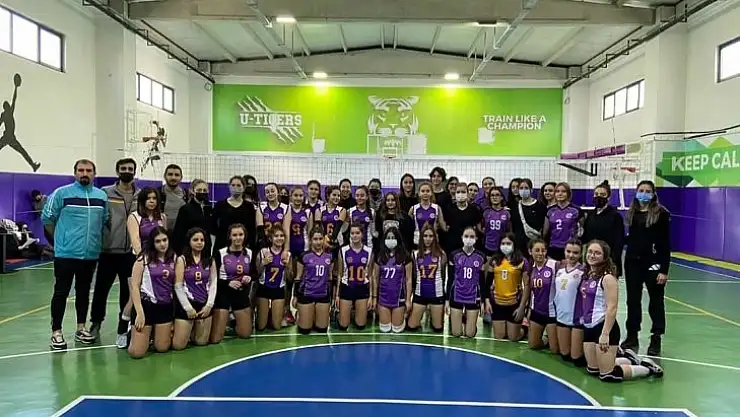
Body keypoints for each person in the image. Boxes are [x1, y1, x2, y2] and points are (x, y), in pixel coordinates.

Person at [42, 159, 108, 350]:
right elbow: (47, 218)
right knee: (61, 292)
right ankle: (56, 332)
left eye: (88, 170)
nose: (84, 173)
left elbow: (104, 221)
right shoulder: (61, 193)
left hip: (90, 255)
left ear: (94, 174)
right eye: (81, 170)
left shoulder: (101, 196)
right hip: (65, 255)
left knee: (83, 292)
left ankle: (81, 328)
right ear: (75, 173)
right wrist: (59, 242)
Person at [581, 240, 663, 382]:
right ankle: (628, 359)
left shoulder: (607, 278)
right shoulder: (588, 275)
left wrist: (605, 334)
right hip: (589, 326)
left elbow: (612, 307)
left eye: (597, 253)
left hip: (603, 326)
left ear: (605, 256)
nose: (592, 255)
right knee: (593, 370)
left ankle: (647, 368)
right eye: (590, 252)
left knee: (607, 375)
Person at [89, 158, 138, 347]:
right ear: (117, 171)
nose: (127, 171)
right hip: (108, 251)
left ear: (134, 172)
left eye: (130, 169)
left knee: (128, 292)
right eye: (123, 168)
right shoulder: (106, 192)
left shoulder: (140, 194)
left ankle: (124, 326)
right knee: (101, 291)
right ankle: (95, 323)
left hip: (130, 253)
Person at [621, 180, 671, 355]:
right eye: (641, 190)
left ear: (653, 194)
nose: (644, 193)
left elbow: (665, 244)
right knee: (632, 301)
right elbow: (631, 238)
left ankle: (656, 337)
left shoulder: (661, 214)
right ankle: (632, 335)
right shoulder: (632, 212)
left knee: (656, 302)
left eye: (647, 191)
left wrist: (664, 270)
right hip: (632, 262)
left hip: (653, 264)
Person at [128, 226, 175, 359]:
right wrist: (139, 312)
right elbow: (134, 286)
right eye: (158, 241)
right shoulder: (143, 259)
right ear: (152, 243)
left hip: (165, 305)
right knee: (137, 353)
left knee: (162, 348)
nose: (162, 244)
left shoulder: (174, 258)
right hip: (146, 305)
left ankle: (153, 334)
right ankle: (131, 332)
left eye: (164, 240)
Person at [172, 227, 217, 350]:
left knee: (201, 343)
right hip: (187, 303)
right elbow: (178, 286)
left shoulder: (210, 260)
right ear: (189, 241)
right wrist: (188, 308)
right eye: (195, 240)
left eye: (202, 240)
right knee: (178, 346)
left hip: (204, 303)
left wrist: (209, 305)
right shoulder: (182, 260)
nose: (199, 242)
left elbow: (213, 283)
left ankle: (192, 330)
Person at [210, 224, 254, 343]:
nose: (238, 238)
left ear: (245, 236)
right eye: (234, 235)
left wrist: (249, 278)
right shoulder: (220, 253)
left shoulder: (249, 253)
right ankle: (224, 320)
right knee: (216, 339)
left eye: (240, 234)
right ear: (229, 236)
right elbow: (212, 278)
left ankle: (234, 322)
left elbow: (254, 273)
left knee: (246, 334)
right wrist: (227, 283)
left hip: (240, 293)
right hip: (223, 293)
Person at [484, 232, 529, 341]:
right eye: (503, 243)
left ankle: (525, 328)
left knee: (513, 337)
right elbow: (488, 283)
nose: (505, 246)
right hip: (497, 303)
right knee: (499, 336)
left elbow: (527, 285)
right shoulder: (494, 261)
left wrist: (522, 307)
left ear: (514, 244)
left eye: (508, 243)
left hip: (514, 303)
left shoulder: (522, 261)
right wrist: (487, 301)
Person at [293, 226, 334, 334]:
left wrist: (332, 297)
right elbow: (298, 277)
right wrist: (295, 296)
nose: (318, 242)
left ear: (324, 239)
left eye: (320, 239)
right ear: (311, 240)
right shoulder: (304, 256)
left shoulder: (329, 256)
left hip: (323, 294)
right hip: (306, 293)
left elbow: (330, 277)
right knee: (305, 330)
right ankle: (301, 315)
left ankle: (314, 314)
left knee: (322, 330)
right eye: (315, 239)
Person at [446, 227, 487, 338]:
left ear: (476, 238)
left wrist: (483, 301)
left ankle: (469, 323)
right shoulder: (454, 255)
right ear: (462, 238)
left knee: (470, 334)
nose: (469, 239)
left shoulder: (481, 257)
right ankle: (462, 319)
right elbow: (450, 279)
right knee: (456, 333)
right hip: (457, 295)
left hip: (473, 296)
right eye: (466, 236)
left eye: (472, 236)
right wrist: (447, 300)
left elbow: (482, 281)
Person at [372, 226, 413, 333]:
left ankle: (403, 317)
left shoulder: (405, 257)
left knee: (396, 329)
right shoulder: (380, 256)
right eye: (388, 238)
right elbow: (375, 278)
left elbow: (408, 279)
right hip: (383, 297)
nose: (390, 240)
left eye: (393, 238)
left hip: (399, 297)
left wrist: (408, 300)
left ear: (398, 239)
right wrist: (374, 298)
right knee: (385, 329)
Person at [407, 224, 446, 333]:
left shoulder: (441, 254)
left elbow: (443, 276)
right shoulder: (415, 254)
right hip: (420, 293)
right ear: (421, 237)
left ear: (435, 238)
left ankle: (434, 318)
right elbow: (414, 276)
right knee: (411, 327)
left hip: (437, 294)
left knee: (438, 329)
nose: (428, 239)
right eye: (425, 236)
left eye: (431, 236)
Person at [553, 239, 585, 366]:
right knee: (565, 356)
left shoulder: (584, 271)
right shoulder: (559, 270)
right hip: (561, 317)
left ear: (581, 254)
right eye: (568, 251)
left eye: (575, 253)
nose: (571, 255)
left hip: (577, 319)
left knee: (576, 359)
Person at [581, 181, 624, 277]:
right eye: (596, 194)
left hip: (608, 262)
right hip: (592, 262)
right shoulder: (590, 215)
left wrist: (613, 263)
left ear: (608, 197)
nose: (599, 197)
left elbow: (619, 242)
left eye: (602, 194)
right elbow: (586, 238)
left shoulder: (615, 216)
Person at [336, 223, 373, 330]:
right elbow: (340, 274)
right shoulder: (343, 251)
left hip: (362, 287)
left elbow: (371, 276)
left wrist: (371, 296)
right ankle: (340, 314)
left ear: (362, 234)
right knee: (343, 325)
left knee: (360, 325)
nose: (354, 235)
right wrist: (337, 295)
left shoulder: (369, 251)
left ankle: (353, 313)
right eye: (352, 233)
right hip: (347, 287)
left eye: (357, 233)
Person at [0, 73, 41, 172]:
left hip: (9, 137)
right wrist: (15, 88)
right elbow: (14, 100)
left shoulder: (6, 113)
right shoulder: (8, 113)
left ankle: (33, 166)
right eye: (7, 105)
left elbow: (13, 100)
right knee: (22, 151)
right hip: (8, 137)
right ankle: (33, 165)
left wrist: (15, 88)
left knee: (22, 151)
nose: (9, 106)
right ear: (6, 107)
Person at [284, 186, 313, 324]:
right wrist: (286, 251)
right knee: (288, 281)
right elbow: (285, 231)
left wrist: (310, 252)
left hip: (304, 250)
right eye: (295, 195)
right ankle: (286, 310)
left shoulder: (307, 212)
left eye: (301, 195)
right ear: (291, 196)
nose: (298, 198)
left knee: (301, 281)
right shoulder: (287, 210)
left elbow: (311, 232)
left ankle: (301, 310)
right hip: (290, 250)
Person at [255, 226, 291, 331]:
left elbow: (290, 277)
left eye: (282, 236)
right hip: (264, 288)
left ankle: (274, 314)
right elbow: (257, 272)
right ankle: (264, 314)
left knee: (276, 326)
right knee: (261, 327)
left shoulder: (287, 254)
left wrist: (287, 266)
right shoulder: (263, 252)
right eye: (276, 236)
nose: (279, 238)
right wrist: (263, 263)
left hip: (278, 289)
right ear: (270, 238)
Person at [527, 239, 559, 353]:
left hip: (552, 313)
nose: (540, 253)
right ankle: (546, 338)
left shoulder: (554, 265)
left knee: (555, 350)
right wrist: (528, 309)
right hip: (536, 311)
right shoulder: (530, 267)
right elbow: (531, 291)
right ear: (530, 251)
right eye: (537, 250)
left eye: (543, 250)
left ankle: (551, 336)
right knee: (533, 345)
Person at [211, 176, 257, 253]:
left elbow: (252, 229)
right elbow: (212, 226)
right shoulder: (220, 205)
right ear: (229, 187)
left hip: (242, 246)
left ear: (244, 188)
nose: (235, 188)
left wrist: (248, 245)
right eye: (233, 185)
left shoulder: (249, 206)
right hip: (222, 246)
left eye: (238, 185)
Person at [172, 179, 213, 255]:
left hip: (205, 249)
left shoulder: (209, 208)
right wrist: (180, 253)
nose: (202, 192)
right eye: (199, 190)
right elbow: (179, 233)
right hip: (189, 249)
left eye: (204, 190)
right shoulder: (185, 209)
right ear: (192, 191)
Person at [543, 182, 582, 261]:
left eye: (563, 191)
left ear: (568, 193)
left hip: (570, 248)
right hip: (553, 247)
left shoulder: (576, 210)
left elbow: (581, 230)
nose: (560, 194)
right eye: (557, 191)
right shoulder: (550, 210)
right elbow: (545, 232)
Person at [444, 182, 482, 253]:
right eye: (458, 192)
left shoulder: (474, 210)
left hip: (469, 244)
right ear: (455, 194)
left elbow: (478, 228)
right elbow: (447, 227)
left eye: (463, 192)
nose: (460, 194)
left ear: (467, 194)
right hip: (453, 244)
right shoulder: (449, 209)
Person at [511, 178, 546, 251]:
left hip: (534, 245)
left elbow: (544, 228)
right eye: (521, 188)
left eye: (526, 188)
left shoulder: (540, 206)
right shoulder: (515, 207)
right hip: (519, 246)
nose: (523, 190)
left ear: (531, 190)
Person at [409, 182, 447, 247]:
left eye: (428, 191)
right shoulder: (413, 208)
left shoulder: (437, 208)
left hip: (433, 241)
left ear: (431, 193)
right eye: (423, 191)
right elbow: (409, 226)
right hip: (418, 241)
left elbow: (443, 226)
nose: (425, 193)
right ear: (419, 193)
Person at [480, 187, 511, 258]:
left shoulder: (506, 213)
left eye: (497, 195)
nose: (495, 197)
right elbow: (481, 227)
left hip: (503, 246)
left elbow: (509, 230)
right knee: (489, 264)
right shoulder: (486, 212)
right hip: (488, 246)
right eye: (492, 195)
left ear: (501, 197)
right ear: (489, 198)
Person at [258, 183, 289, 249]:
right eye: (267, 192)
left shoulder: (286, 208)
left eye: (272, 191)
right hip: (265, 243)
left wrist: (286, 249)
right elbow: (260, 231)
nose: (270, 194)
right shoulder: (261, 208)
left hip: (280, 243)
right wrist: (263, 248)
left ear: (278, 192)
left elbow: (286, 230)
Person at [159, 164, 187, 231]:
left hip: (181, 234)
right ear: (165, 176)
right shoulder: (157, 193)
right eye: (170, 174)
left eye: (177, 175)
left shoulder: (187, 195)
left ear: (181, 177)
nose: (173, 178)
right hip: (161, 234)